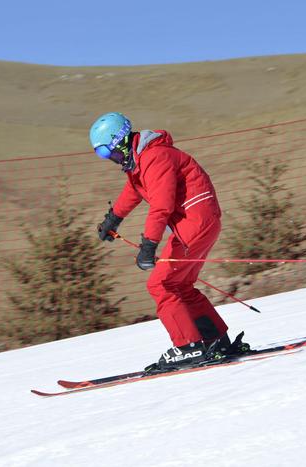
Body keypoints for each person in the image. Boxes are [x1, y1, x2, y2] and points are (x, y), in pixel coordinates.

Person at [89, 112, 249, 371]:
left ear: (119, 141)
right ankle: (215, 340)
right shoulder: (141, 161)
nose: (110, 159)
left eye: (108, 152)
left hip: (195, 221)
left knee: (160, 284)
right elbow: (133, 191)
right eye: (103, 155)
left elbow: (161, 205)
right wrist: (113, 220)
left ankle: (188, 347)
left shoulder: (155, 157)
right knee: (180, 285)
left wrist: (149, 245)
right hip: (199, 221)